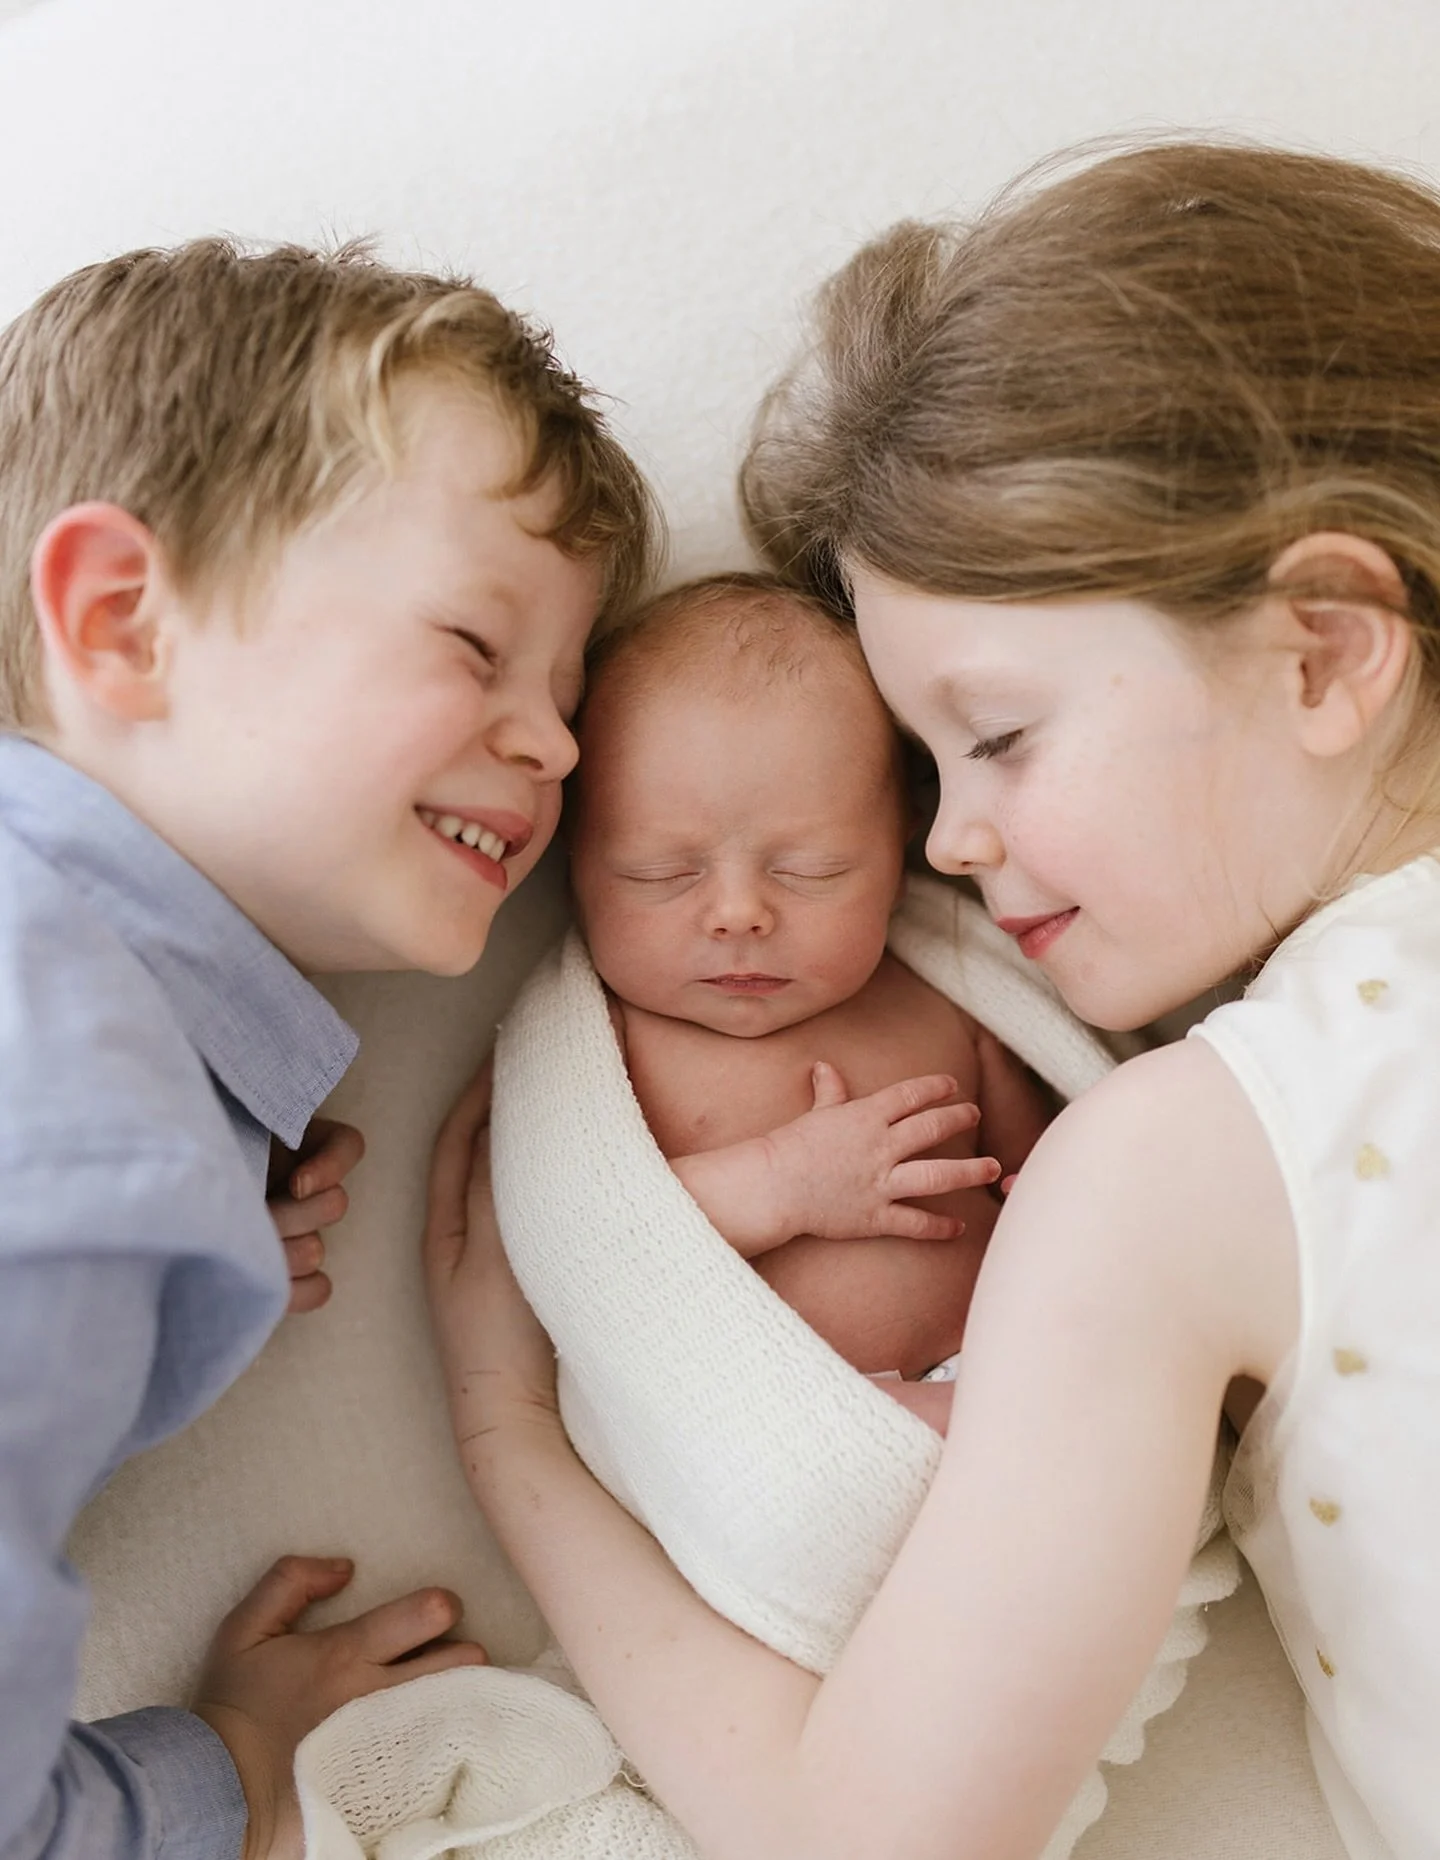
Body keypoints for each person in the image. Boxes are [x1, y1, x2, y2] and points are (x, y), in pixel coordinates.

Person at [425, 140, 1440, 1860]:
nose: (948, 846)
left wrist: (505, 1427)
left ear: (1325, 653)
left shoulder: (1195, 1162)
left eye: (1001, 735)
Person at [0, 239, 654, 1860]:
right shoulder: (82, 1130)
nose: (558, 739)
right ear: (122, 623)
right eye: (473, 644)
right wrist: (217, 1777)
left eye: (571, 689)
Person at [567, 571, 1054, 1426]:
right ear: (571, 861)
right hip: (792, 1422)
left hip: (1009, 1373)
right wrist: (780, 1183)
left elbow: (1060, 1184)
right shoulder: (603, 1049)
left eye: (812, 871)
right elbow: (586, 1247)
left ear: (904, 842)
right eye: (662, 874)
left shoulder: (945, 998)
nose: (739, 915)